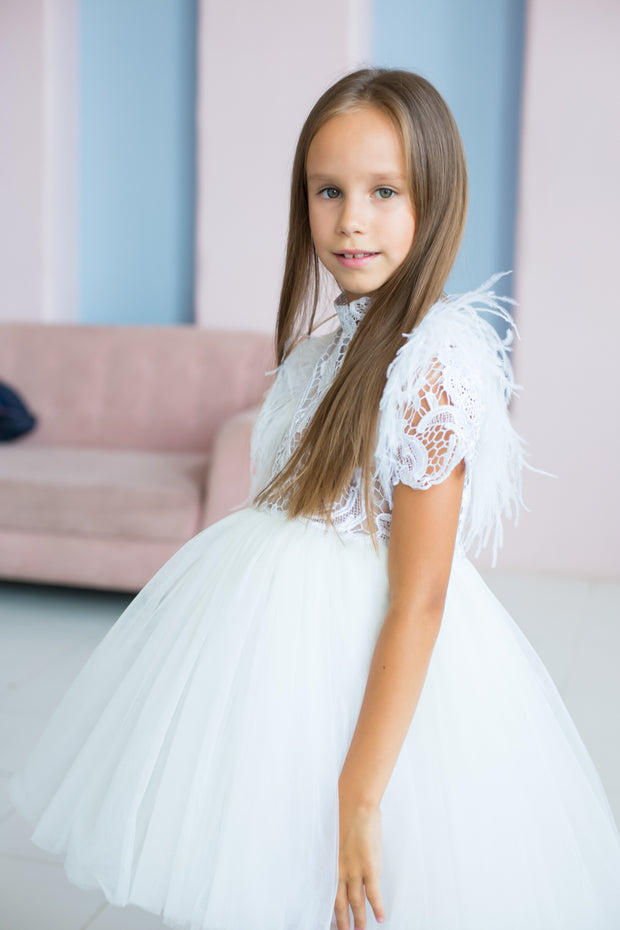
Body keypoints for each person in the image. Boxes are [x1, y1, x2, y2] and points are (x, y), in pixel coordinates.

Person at [8, 68, 620, 930]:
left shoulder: (433, 361)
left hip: (366, 658)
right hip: (273, 649)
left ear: (435, 200)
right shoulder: (333, 341)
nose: (350, 220)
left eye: (383, 191)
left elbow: (422, 593)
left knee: (361, 877)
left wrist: (361, 792)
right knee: (271, 860)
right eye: (328, 190)